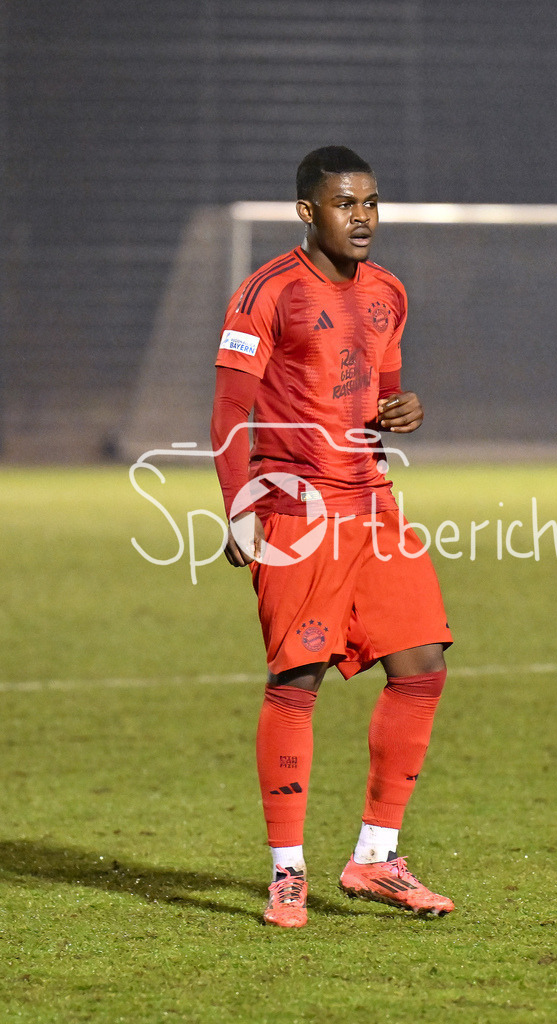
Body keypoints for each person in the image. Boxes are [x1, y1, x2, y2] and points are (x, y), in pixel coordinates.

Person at [211, 146, 454, 928]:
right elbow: (227, 412)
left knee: (421, 667)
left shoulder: (389, 293)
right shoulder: (267, 292)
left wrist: (402, 410)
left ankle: (376, 858)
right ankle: (287, 872)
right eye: (346, 204)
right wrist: (237, 507)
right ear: (307, 212)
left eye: (373, 203)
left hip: (374, 506)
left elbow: (381, 394)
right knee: (299, 681)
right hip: (297, 511)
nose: (363, 218)